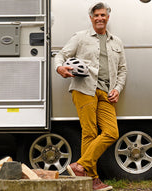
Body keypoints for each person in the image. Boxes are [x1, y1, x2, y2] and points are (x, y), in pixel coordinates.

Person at [54, 2, 127, 191]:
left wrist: (117, 89)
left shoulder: (116, 41)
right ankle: (92, 179)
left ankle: (79, 166)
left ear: (108, 17)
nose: (100, 18)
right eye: (96, 16)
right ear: (91, 18)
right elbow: (61, 55)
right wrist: (60, 68)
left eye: (103, 15)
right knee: (89, 133)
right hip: (84, 89)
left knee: (112, 132)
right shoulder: (81, 37)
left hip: (106, 93)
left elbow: (122, 69)